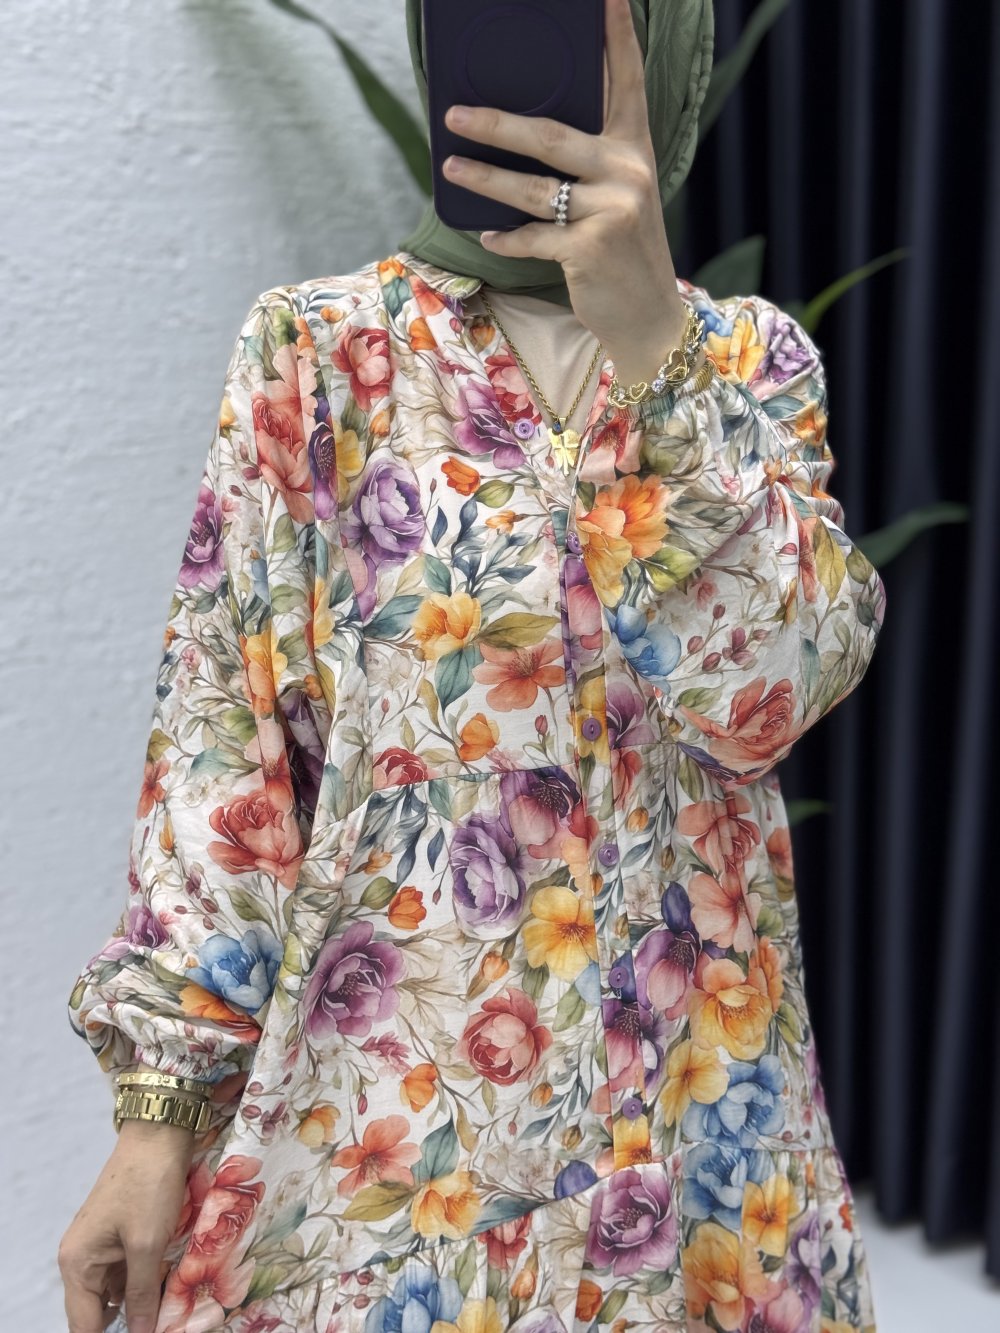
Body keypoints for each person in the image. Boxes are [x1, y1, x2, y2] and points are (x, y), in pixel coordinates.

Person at [58, 1, 887, 1330]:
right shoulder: (320, 354)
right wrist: (156, 1118)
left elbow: (774, 695)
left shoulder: (748, 361)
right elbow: (226, 748)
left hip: (695, 1152)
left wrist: (655, 353)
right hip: (394, 1160)